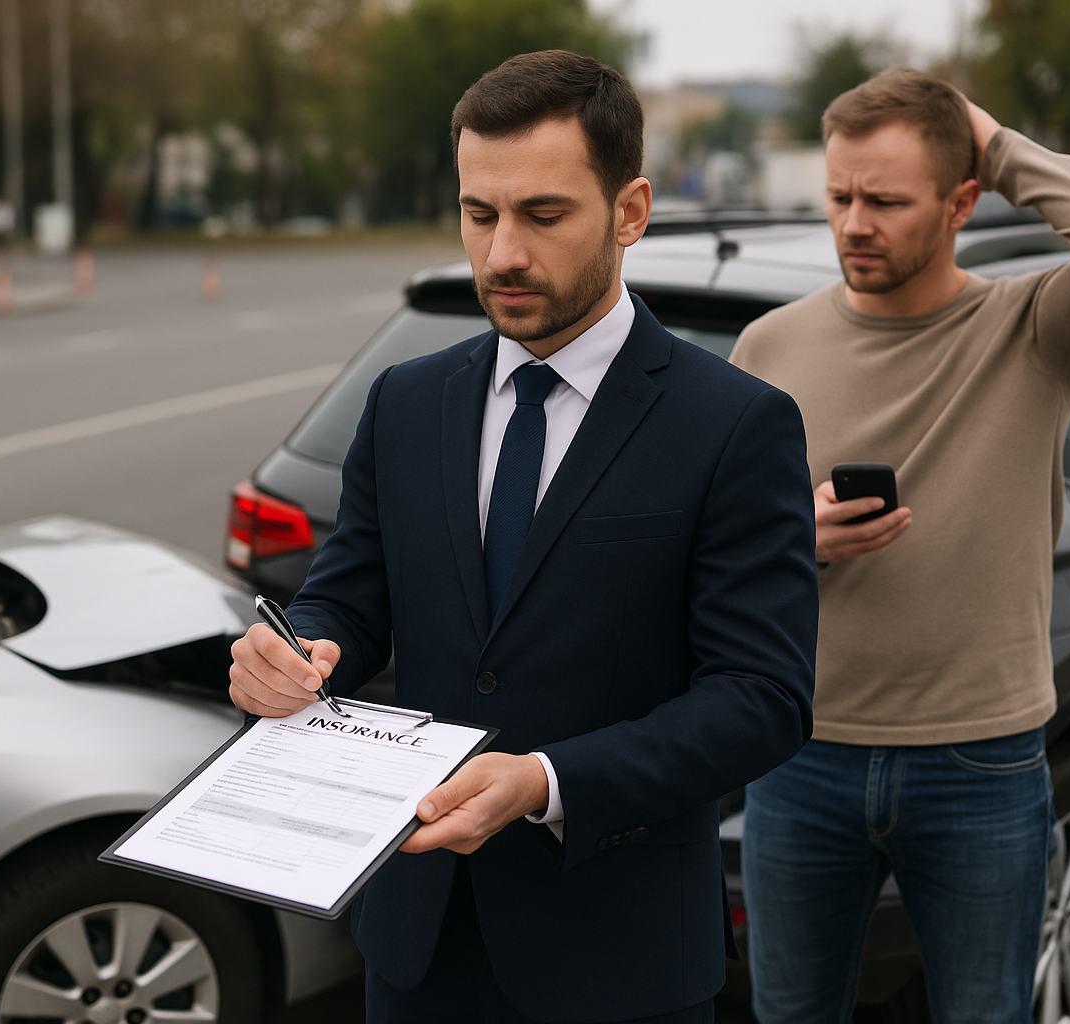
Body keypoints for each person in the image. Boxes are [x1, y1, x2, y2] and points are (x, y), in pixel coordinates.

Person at [228, 50, 818, 1024]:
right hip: (416, 948)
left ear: (631, 211)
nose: (502, 253)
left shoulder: (736, 425)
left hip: (620, 962)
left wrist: (547, 781)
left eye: (543, 216)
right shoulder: (407, 400)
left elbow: (762, 698)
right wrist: (294, 652)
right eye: (478, 213)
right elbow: (350, 596)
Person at [729, 68, 1070, 1024]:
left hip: (980, 764)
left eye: (886, 200)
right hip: (799, 756)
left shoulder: (1035, 331)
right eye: (840, 196)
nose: (854, 223)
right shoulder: (768, 346)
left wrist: (993, 136)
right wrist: (793, 539)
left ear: (962, 202)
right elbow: (715, 550)